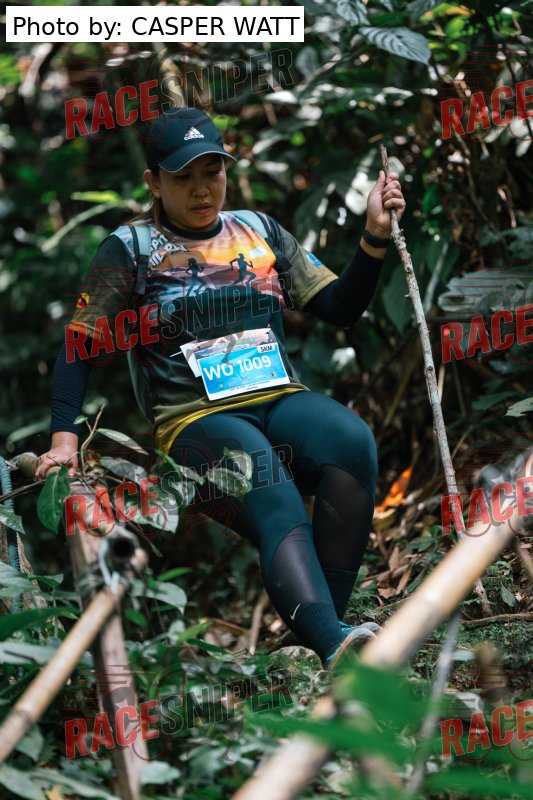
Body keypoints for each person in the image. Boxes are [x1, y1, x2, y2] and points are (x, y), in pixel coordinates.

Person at [36, 107, 405, 669]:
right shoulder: (130, 247)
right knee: (269, 485)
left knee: (352, 443)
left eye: (213, 172)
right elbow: (80, 344)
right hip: (194, 422)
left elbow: (339, 306)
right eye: (183, 177)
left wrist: (375, 235)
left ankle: (327, 631)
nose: (202, 189)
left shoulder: (258, 231)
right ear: (153, 182)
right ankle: (335, 646)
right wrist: (64, 439)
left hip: (277, 397)